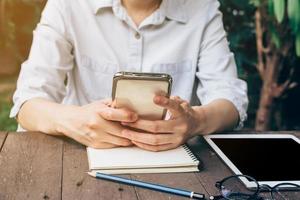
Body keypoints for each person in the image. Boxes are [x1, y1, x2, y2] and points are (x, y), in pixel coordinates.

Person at [10, 0, 248, 151]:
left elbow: (230, 100)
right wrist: (75, 119)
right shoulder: (68, 5)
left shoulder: (202, 9)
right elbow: (27, 103)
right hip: (81, 157)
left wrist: (197, 120)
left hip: (174, 162)